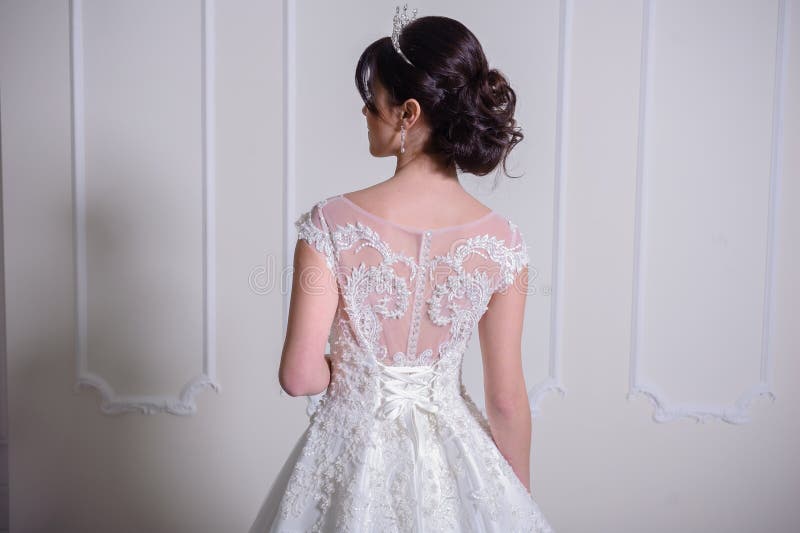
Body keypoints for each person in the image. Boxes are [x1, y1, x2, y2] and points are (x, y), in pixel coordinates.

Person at [249, 6, 555, 532]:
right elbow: (506, 399)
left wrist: (351, 367)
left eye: (373, 103)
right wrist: (514, 503)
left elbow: (299, 377)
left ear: (408, 114)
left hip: (351, 456)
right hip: (457, 465)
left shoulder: (330, 224)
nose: (365, 114)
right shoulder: (503, 243)